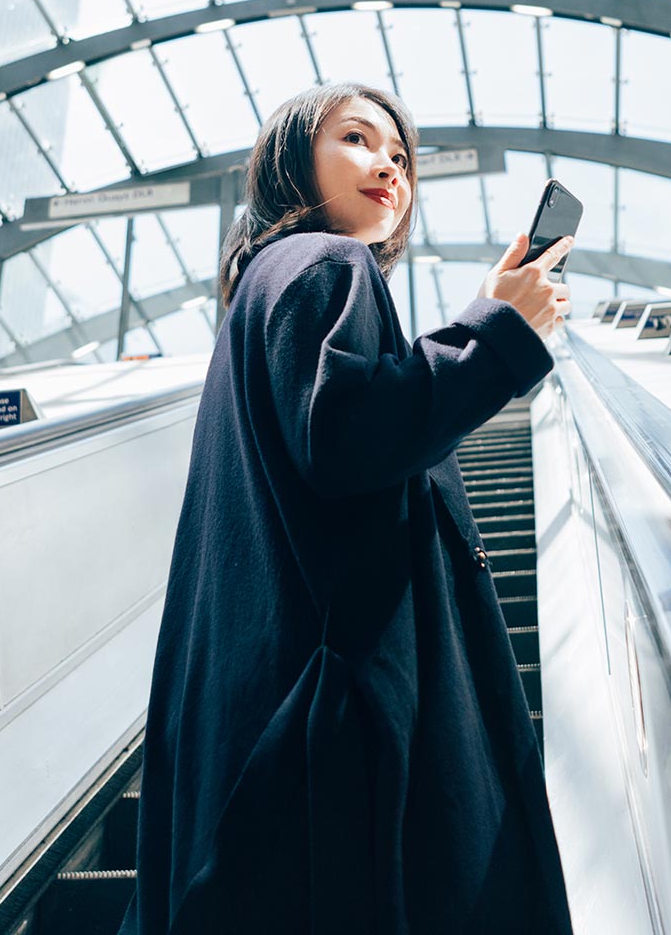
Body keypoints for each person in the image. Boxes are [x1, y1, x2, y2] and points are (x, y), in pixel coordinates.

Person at [121, 83, 575, 934]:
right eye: (357, 140)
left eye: (401, 158)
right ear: (293, 162)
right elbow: (347, 434)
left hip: (261, 725)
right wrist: (499, 333)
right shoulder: (326, 263)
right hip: (337, 736)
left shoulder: (259, 298)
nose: (387, 167)